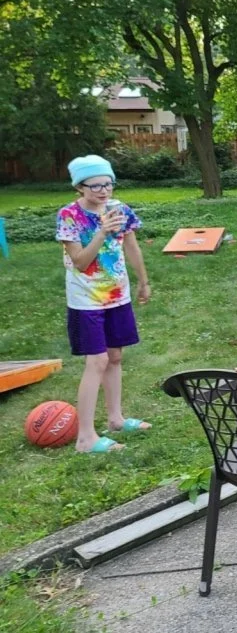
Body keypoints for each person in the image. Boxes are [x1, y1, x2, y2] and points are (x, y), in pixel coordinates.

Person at [56, 155, 152, 454]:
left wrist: (143, 281)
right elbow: (80, 261)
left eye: (108, 184)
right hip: (86, 300)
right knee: (96, 361)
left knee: (115, 356)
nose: (104, 190)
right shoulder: (69, 215)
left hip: (117, 296)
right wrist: (102, 232)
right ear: (79, 187)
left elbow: (131, 246)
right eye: (95, 185)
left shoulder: (119, 209)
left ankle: (115, 419)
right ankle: (85, 438)